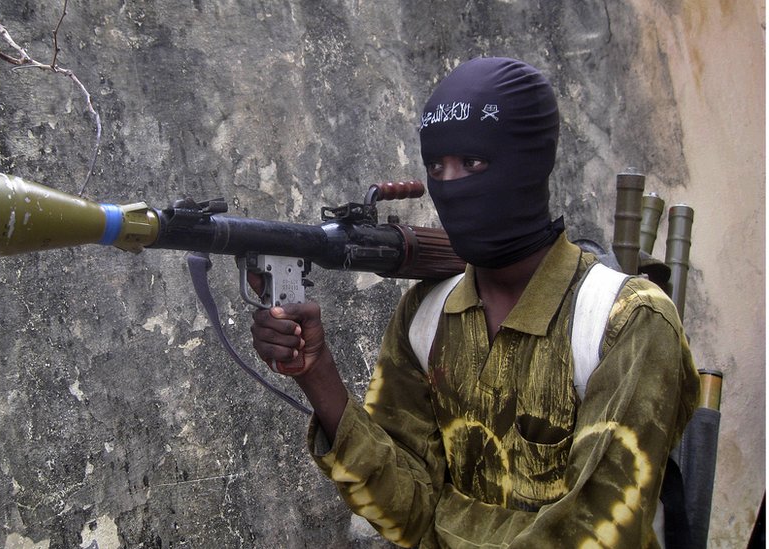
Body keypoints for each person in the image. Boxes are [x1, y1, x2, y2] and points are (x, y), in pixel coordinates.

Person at [249, 57, 700, 547]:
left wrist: (450, 520)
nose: (452, 184)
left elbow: (598, 531)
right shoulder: (425, 317)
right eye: (436, 168)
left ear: (531, 162)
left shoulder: (627, 322)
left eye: (475, 163)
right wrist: (317, 373)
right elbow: (409, 511)